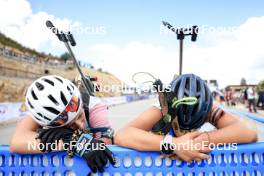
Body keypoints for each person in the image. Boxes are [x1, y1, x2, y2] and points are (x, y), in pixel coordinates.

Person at [114, 74, 257, 162]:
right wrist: (174, 144)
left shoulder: (208, 109)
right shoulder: (161, 107)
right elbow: (122, 135)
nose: (184, 130)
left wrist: (202, 140)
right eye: (180, 124)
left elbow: (249, 133)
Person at [10, 75, 115, 173]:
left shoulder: (95, 107)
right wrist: (70, 140)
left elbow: (104, 150)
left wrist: (78, 142)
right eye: (70, 125)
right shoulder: (42, 112)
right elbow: (16, 143)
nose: (80, 125)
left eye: (79, 116)